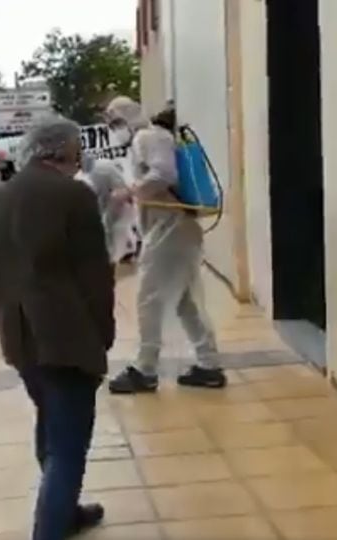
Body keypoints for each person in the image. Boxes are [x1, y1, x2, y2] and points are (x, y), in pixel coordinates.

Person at [0, 117, 114, 540]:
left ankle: (66, 511)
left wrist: (3, 314)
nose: (79, 160)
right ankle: (51, 527)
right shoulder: (74, 195)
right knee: (68, 446)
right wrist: (101, 334)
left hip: (18, 336)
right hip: (66, 335)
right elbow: (95, 276)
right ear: (66, 152)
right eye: (76, 152)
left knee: (50, 419)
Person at [103, 96, 224, 393]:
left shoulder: (147, 136)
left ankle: (145, 369)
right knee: (186, 302)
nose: (114, 129)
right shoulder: (150, 138)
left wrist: (132, 191)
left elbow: (164, 173)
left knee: (149, 298)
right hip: (176, 227)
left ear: (127, 118)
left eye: (115, 122)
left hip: (171, 228)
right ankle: (209, 365)